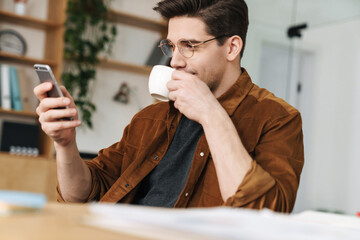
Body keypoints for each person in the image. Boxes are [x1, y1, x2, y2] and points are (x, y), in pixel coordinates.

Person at [34, 0, 304, 212]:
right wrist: (65, 143)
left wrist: (211, 114)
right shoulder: (151, 118)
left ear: (231, 48)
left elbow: (266, 214)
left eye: (189, 46)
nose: (174, 61)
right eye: (172, 46)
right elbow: (79, 195)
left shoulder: (277, 118)